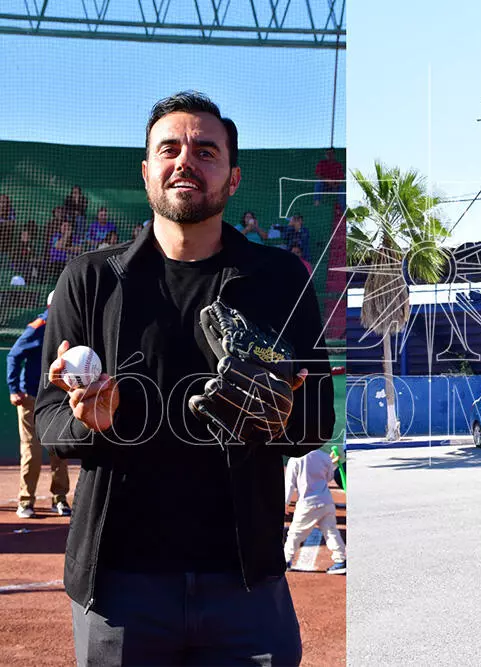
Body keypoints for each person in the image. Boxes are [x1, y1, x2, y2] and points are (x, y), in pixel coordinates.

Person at [34, 91, 334, 666]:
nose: (185, 161)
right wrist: (89, 421)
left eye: (206, 151)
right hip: (120, 586)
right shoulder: (90, 279)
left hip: (245, 584)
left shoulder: (279, 278)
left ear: (233, 177)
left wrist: (278, 417)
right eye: (169, 149)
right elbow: (50, 418)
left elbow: (317, 419)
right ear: (147, 171)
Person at [8, 291, 71, 519]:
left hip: (59, 398)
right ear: (50, 306)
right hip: (31, 398)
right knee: (32, 451)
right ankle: (26, 501)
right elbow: (14, 355)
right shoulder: (39, 326)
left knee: (59, 450)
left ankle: (60, 499)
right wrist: (14, 389)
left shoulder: (70, 325)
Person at [283, 448, 346, 574]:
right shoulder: (324, 456)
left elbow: (289, 484)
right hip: (326, 501)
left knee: (295, 534)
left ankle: (285, 560)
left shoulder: (295, 459)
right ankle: (340, 560)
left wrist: (285, 503)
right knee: (331, 531)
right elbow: (328, 477)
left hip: (307, 504)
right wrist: (330, 463)